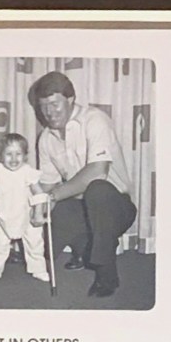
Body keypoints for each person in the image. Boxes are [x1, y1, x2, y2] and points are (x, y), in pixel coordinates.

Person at [32, 70, 137, 298]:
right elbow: (48, 186)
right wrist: (38, 209)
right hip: (80, 207)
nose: (49, 112)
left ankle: (106, 273)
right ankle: (83, 249)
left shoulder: (94, 119)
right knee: (44, 243)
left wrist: (54, 196)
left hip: (115, 205)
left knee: (97, 191)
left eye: (55, 104)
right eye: (44, 106)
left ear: (70, 100)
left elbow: (98, 172)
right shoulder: (45, 139)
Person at [0, 133, 49, 283]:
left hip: (27, 215)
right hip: (4, 215)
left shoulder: (28, 172)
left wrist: (38, 214)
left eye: (18, 154)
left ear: (25, 156)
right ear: (0, 155)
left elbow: (39, 193)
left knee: (34, 244)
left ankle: (39, 269)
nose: (14, 159)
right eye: (9, 154)